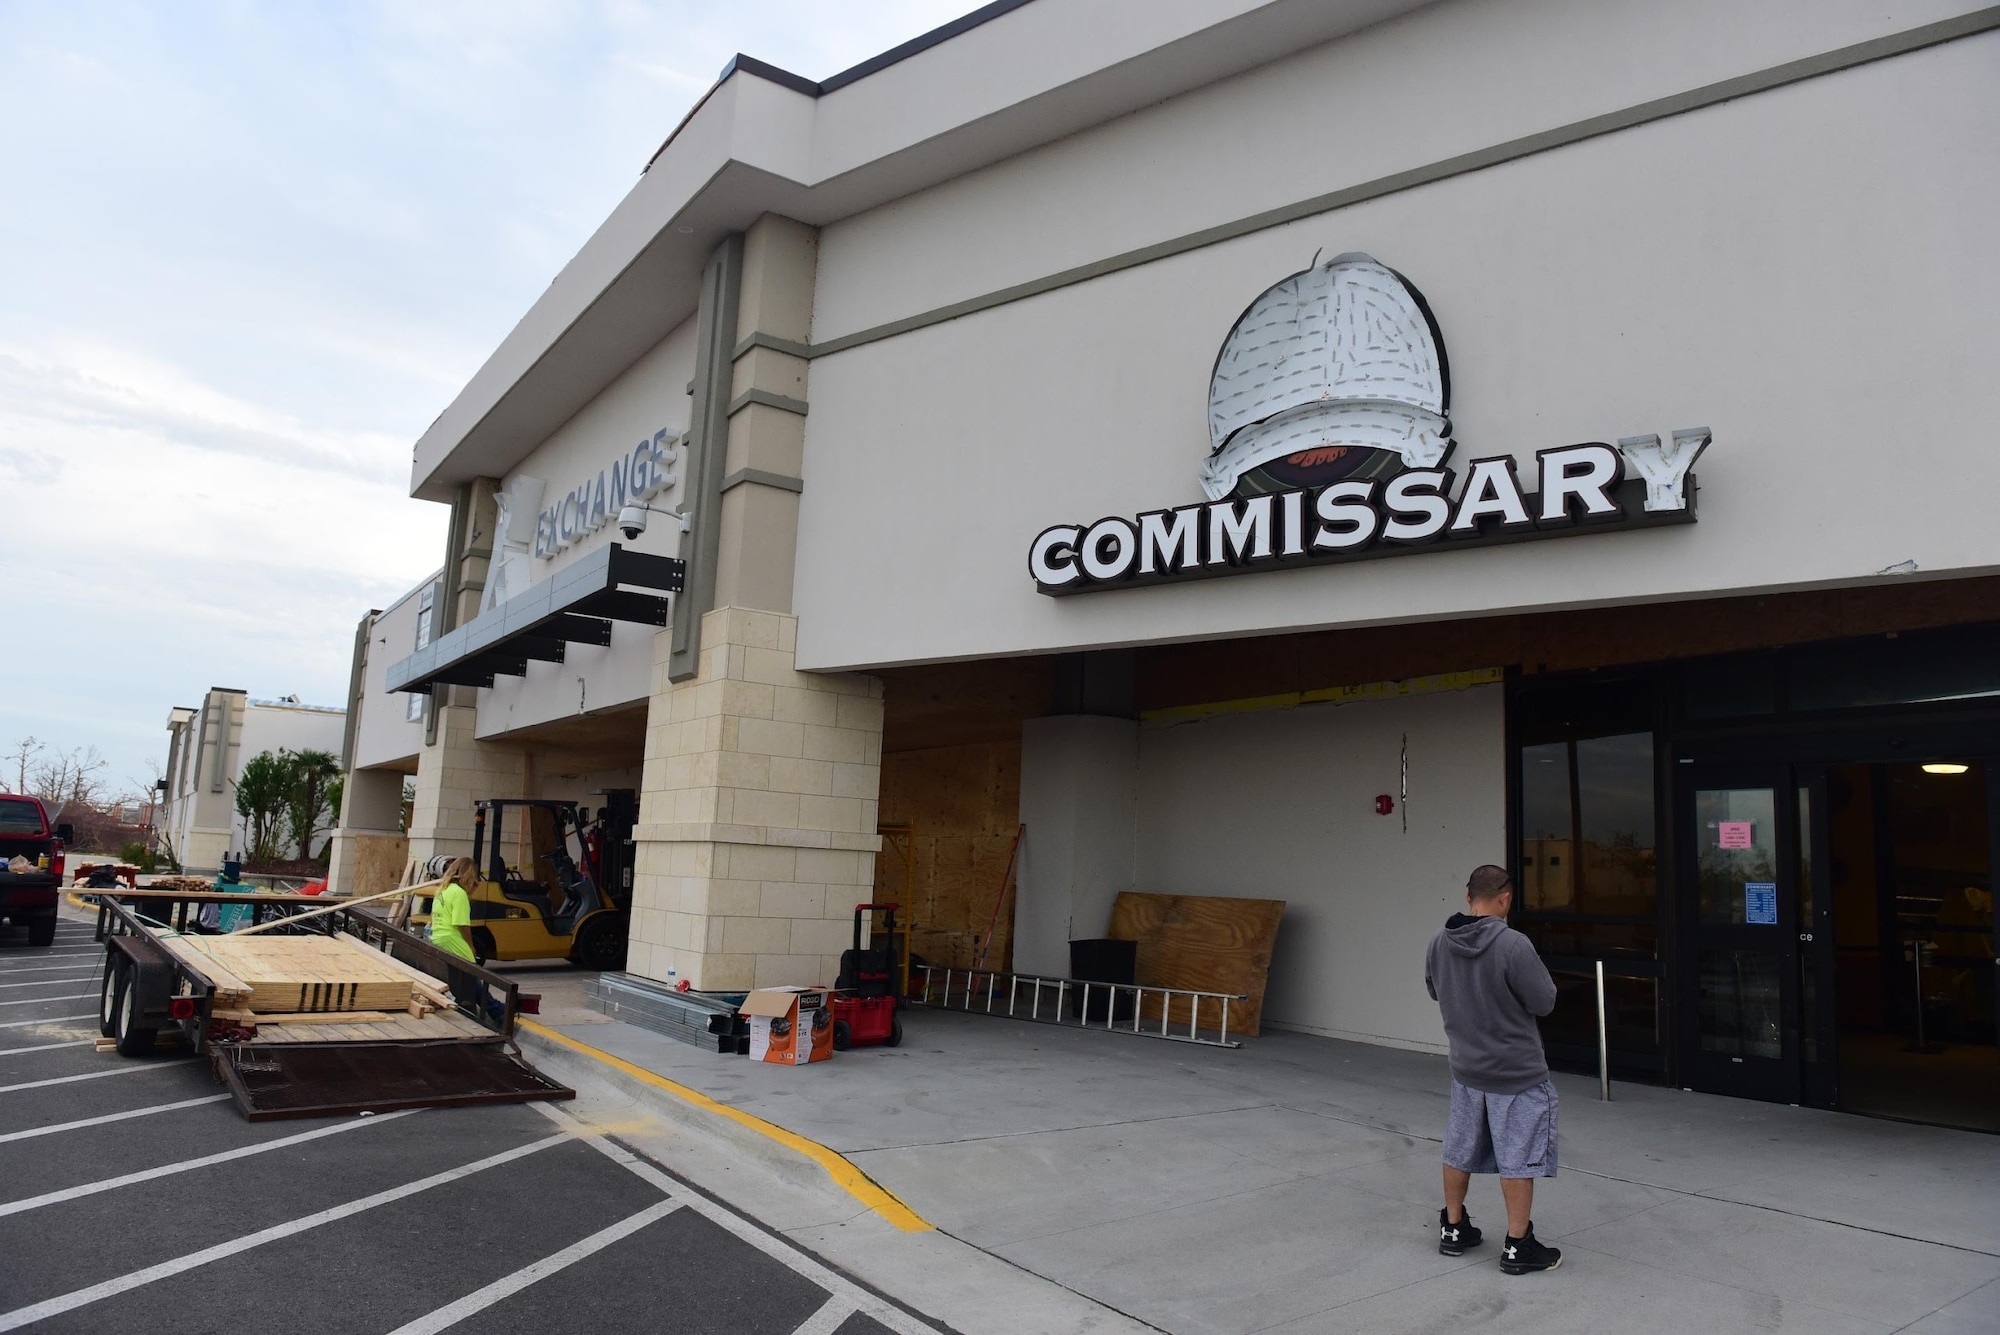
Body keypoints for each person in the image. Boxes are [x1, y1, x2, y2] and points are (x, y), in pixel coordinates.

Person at [1424, 864, 1563, 1275]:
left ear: (1469, 897)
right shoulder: (1514, 945)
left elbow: (1434, 989)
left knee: (1459, 1146)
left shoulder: (1437, 941)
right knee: (1517, 1157)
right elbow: (1544, 1001)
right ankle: (1518, 1246)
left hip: (1466, 1068)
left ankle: (1453, 1228)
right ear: (1505, 899)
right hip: (1516, 1073)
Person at [429, 856, 504, 1024]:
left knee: (470, 978)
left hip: (439, 936)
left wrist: (471, 891)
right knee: (472, 974)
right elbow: (462, 924)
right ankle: (497, 1011)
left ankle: (496, 1009)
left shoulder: (443, 889)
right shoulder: (459, 893)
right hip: (452, 937)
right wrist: (471, 946)